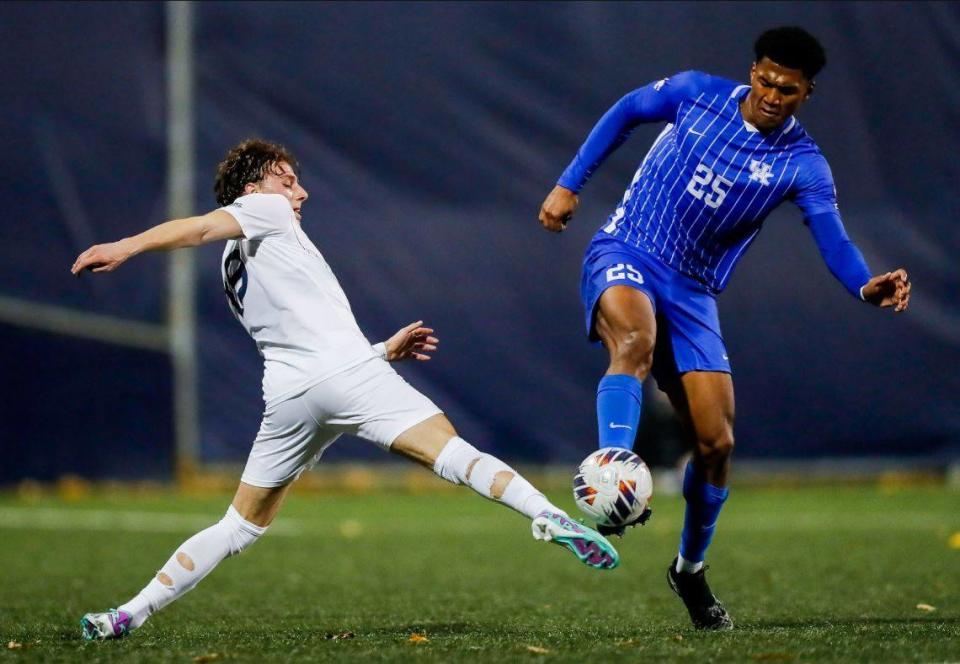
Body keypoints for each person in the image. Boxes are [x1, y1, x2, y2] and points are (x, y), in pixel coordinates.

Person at [73, 139, 619, 640]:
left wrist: (382, 350)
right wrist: (127, 244)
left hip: (289, 397)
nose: (299, 190)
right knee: (454, 452)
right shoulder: (267, 212)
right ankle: (548, 515)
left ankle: (127, 613)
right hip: (348, 379)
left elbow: (303, 334)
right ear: (251, 190)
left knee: (238, 526)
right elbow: (193, 229)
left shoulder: (231, 265)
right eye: (285, 179)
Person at [537, 27, 911, 631]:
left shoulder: (803, 164)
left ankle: (688, 570)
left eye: (786, 89)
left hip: (693, 291)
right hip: (627, 247)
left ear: (806, 93)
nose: (770, 94)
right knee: (633, 340)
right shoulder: (695, 93)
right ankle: (611, 479)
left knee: (716, 445)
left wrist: (865, 286)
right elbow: (628, 110)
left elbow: (833, 239)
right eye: (764, 79)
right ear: (753, 70)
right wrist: (568, 183)